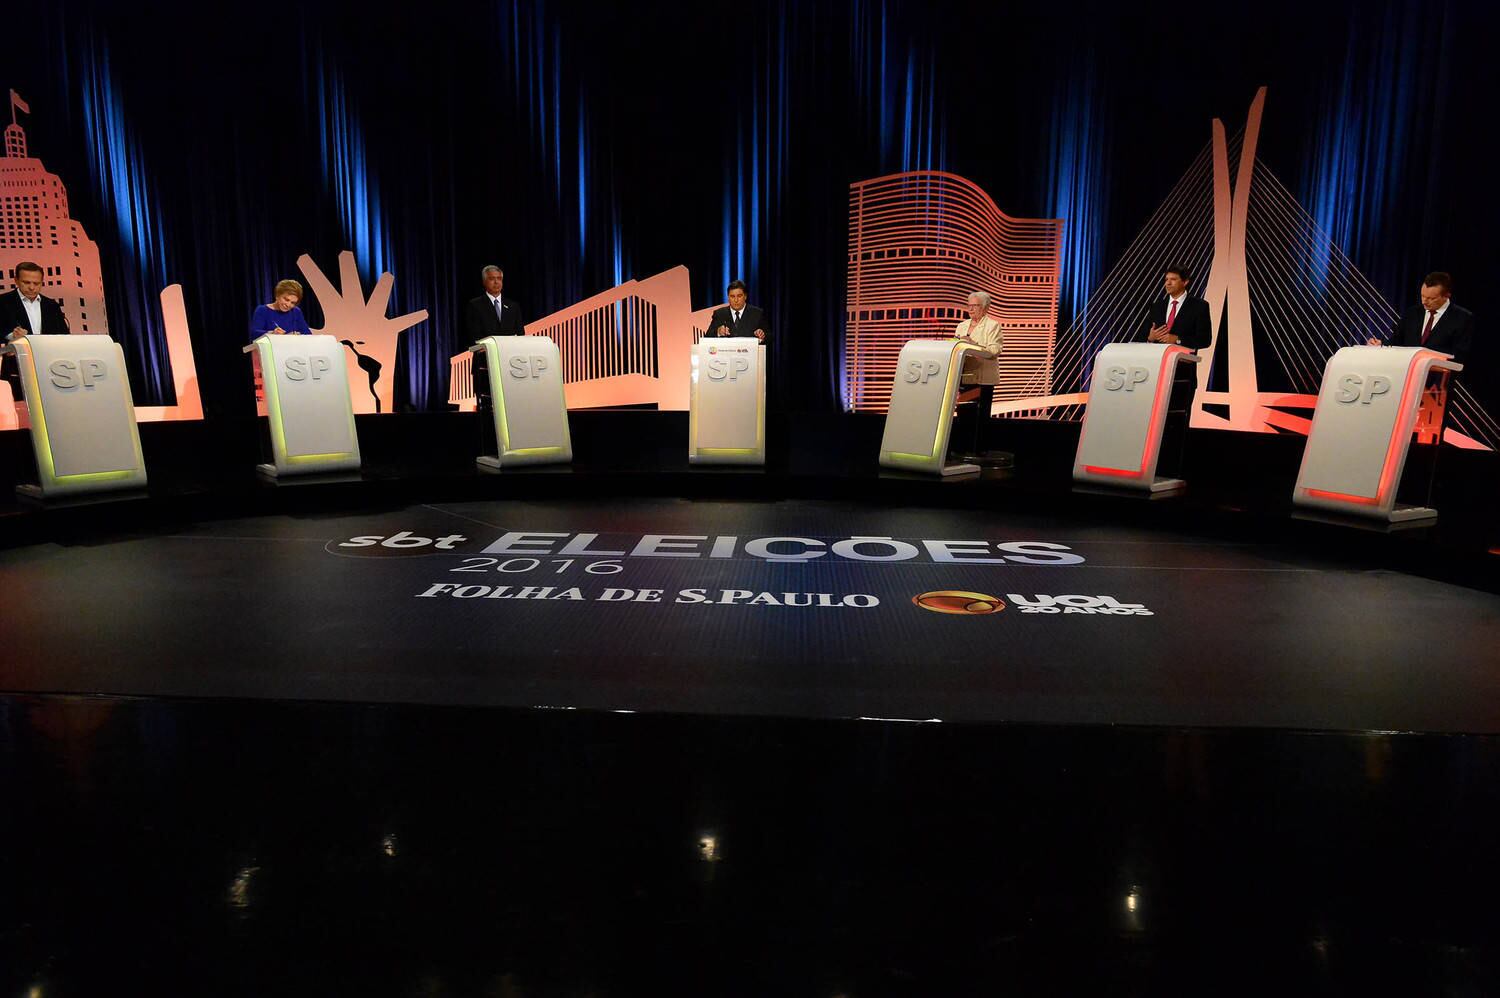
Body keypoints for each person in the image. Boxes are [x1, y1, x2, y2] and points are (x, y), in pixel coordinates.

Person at [1134, 265, 1211, 477]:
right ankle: (1149, 467)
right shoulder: (1157, 305)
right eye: (1166, 279)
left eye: (1173, 279)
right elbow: (1144, 334)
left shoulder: (1200, 306)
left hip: (1182, 375)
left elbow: (1205, 340)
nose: (1167, 283)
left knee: (1176, 424)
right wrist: (1149, 337)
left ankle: (1174, 470)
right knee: (1153, 423)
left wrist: (1176, 339)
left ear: (1185, 282)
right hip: (1155, 372)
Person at [1367, 271, 1474, 366]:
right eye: (1422, 296)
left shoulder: (1462, 318)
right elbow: (1397, 341)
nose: (1424, 301)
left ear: (1446, 296)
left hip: (1440, 380)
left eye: (1431, 298)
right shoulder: (1411, 313)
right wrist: (1381, 345)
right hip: (1407, 375)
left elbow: (1459, 355)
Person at [2, 261, 71, 399]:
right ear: (16, 280)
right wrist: (12, 337)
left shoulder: (51, 306)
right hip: (15, 370)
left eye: (37, 283)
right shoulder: (3, 303)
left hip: (49, 369)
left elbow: (64, 336)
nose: (32, 287)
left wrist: (30, 338)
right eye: (26, 282)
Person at [953, 291, 1002, 456]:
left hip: (983, 379)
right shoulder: (961, 325)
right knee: (964, 415)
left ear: (985, 307)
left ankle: (979, 452)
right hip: (965, 377)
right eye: (969, 305)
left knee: (980, 417)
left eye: (975, 306)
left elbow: (994, 350)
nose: (971, 309)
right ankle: (963, 449)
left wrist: (972, 344)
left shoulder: (992, 325)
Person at [464, 265, 524, 343]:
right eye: (492, 279)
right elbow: (473, 336)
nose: (496, 282)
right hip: (485, 353)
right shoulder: (475, 305)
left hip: (508, 353)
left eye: (499, 278)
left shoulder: (513, 306)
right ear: (484, 282)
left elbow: (520, 334)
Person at [705, 280, 768, 346]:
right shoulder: (719, 314)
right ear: (728, 298)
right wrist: (718, 332)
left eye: (739, 296)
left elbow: (769, 337)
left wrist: (762, 335)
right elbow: (707, 337)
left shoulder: (757, 313)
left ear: (745, 296)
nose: (736, 300)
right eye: (732, 296)